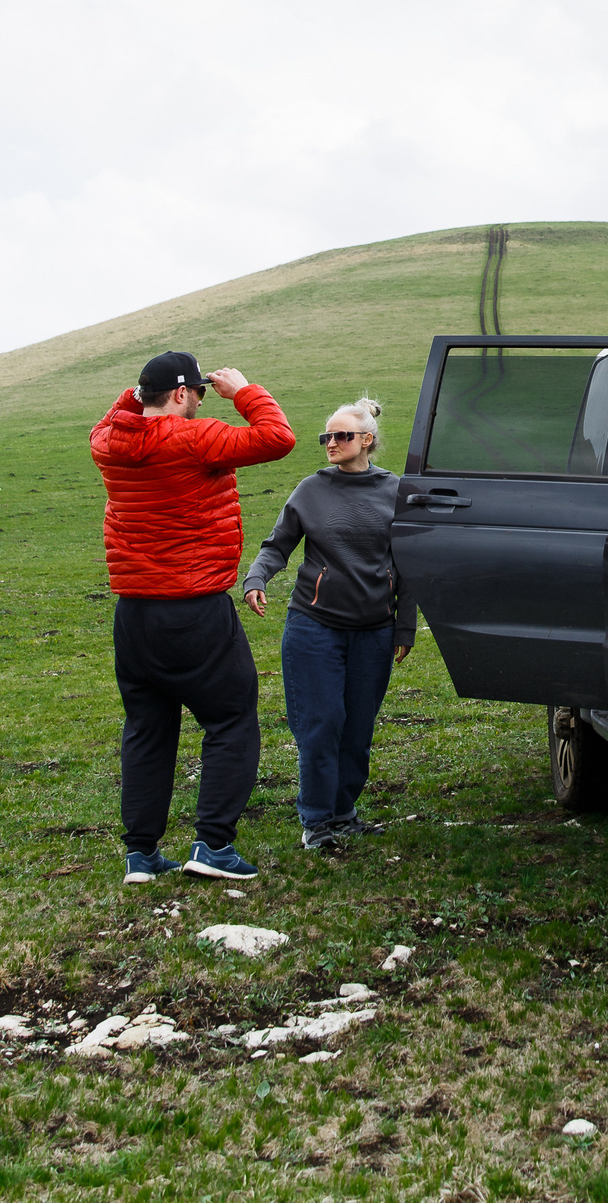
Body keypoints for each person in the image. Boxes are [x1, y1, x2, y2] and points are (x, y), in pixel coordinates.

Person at [90, 351, 296, 883]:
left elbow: (117, 417)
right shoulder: (196, 437)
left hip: (133, 613)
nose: (202, 402)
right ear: (182, 393)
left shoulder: (106, 442)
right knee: (230, 721)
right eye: (199, 393)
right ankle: (213, 845)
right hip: (194, 607)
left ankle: (141, 854)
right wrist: (243, 391)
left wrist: (138, 393)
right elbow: (278, 438)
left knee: (146, 729)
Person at [241, 397, 416, 852]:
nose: (331, 443)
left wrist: (405, 627)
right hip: (314, 626)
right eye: (326, 437)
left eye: (341, 436)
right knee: (321, 724)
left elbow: (409, 564)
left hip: (374, 630)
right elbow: (277, 545)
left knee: (357, 730)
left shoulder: (396, 491)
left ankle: (344, 812)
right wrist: (256, 578)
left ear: (367, 440)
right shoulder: (310, 490)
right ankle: (316, 821)